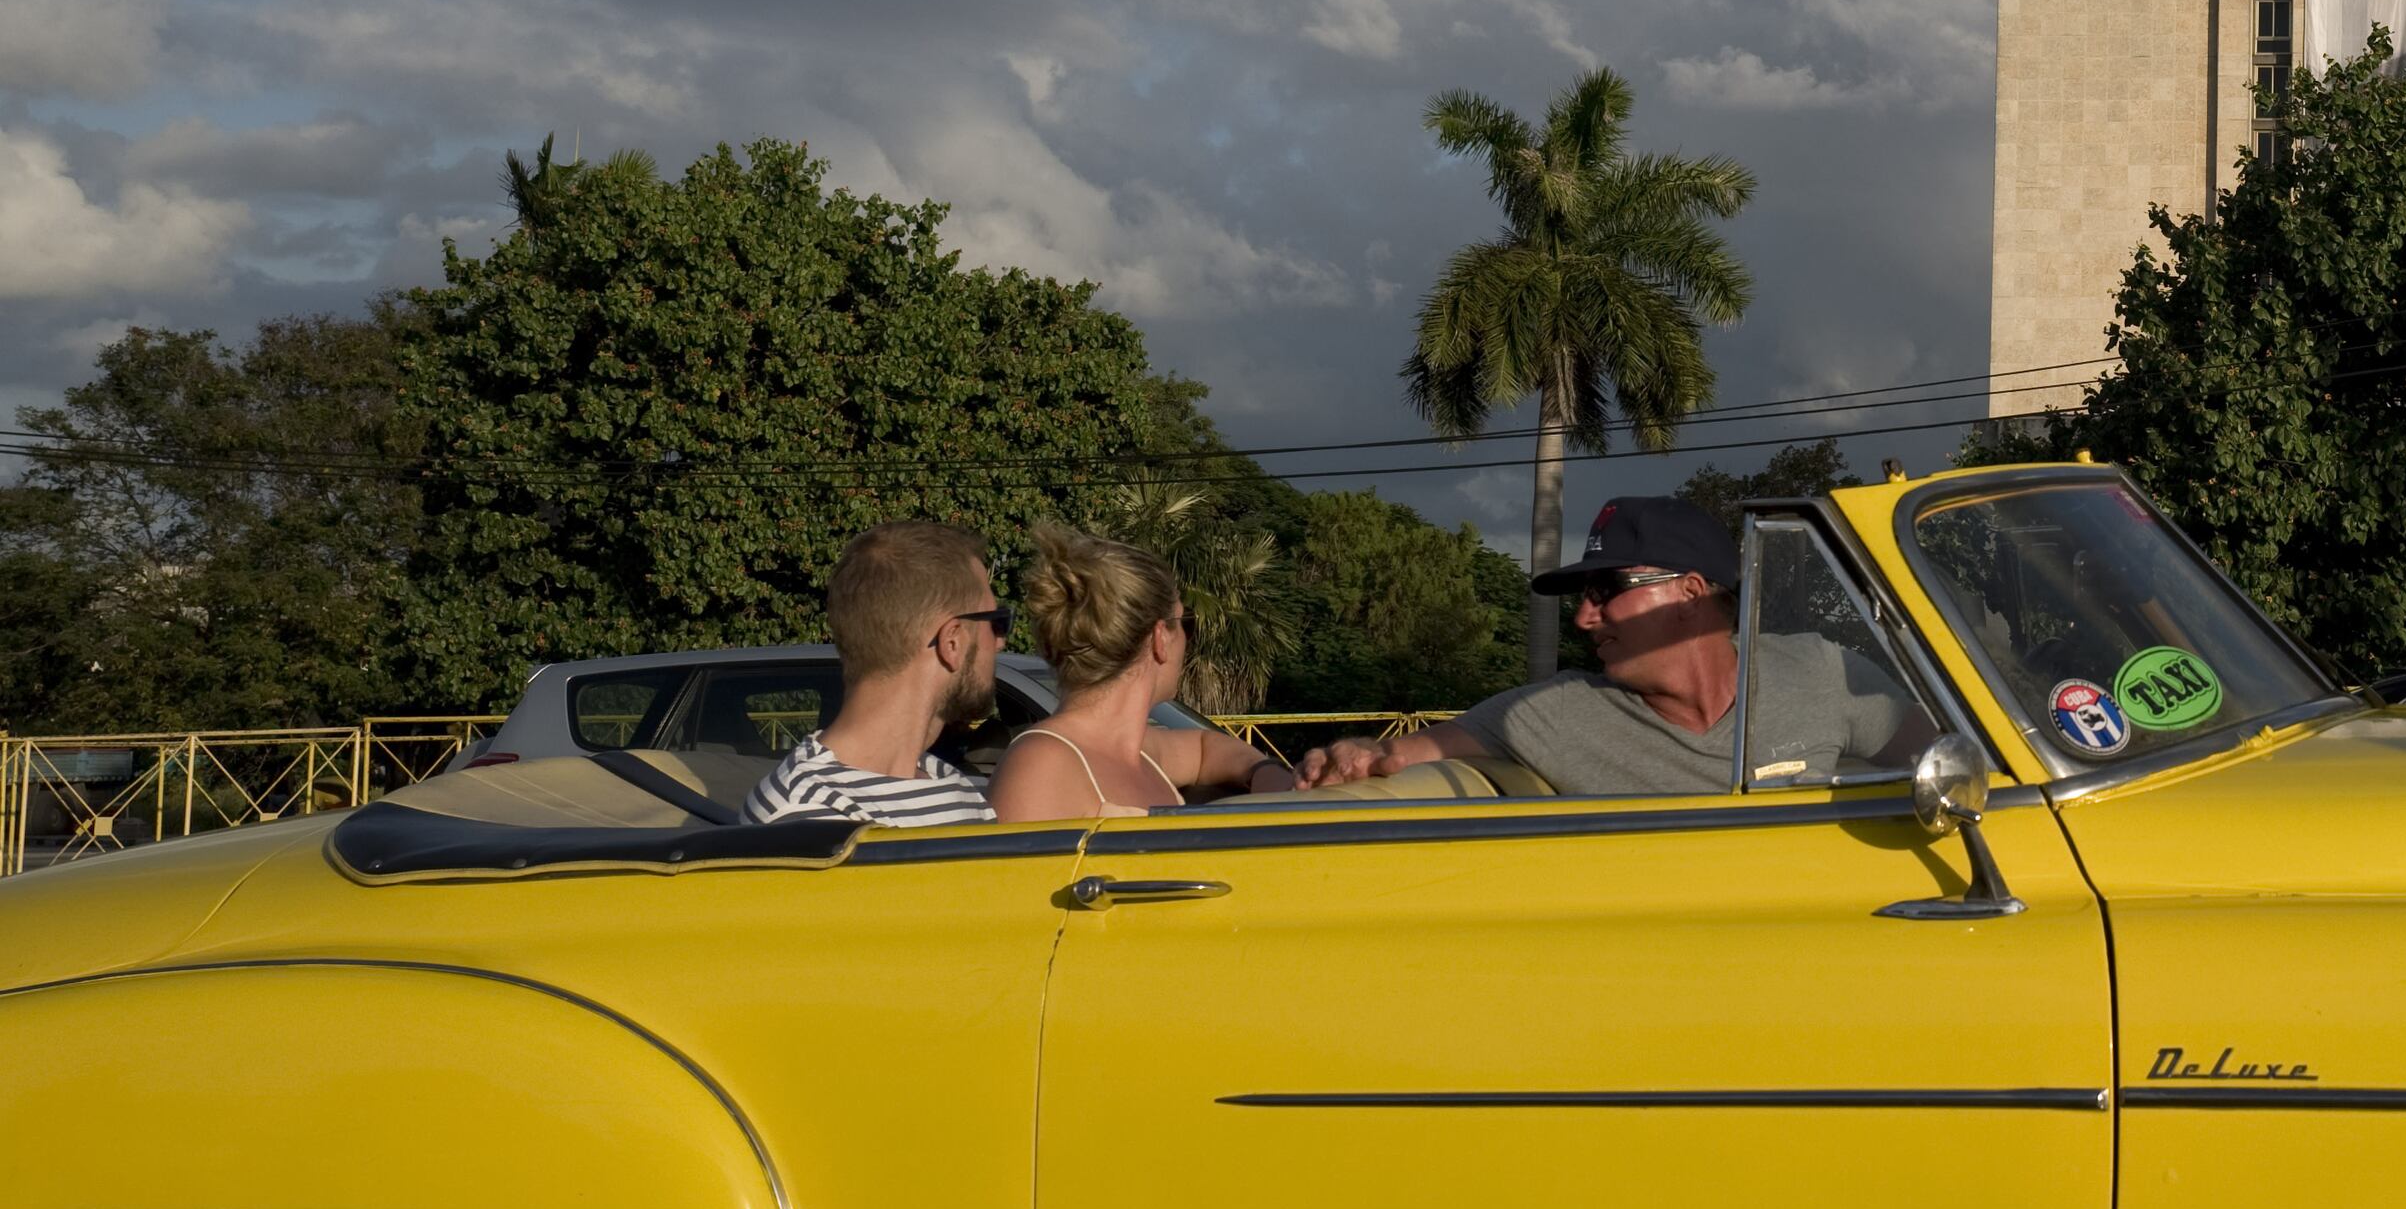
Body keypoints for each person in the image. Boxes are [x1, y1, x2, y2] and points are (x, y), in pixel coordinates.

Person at [1298, 495, 1924, 797]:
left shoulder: (1820, 671)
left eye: (1607, 589)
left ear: (1690, 593)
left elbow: (1950, 766)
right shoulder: (1554, 712)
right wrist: (1352, 754)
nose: (1584, 618)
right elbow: (1395, 756)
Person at [987, 520, 1299, 823]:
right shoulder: (1043, 765)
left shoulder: (1134, 749)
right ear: (1160, 638)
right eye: (1184, 621)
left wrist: (1265, 773)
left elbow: (1206, 748)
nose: (1187, 640)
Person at [746, 521, 1008, 827]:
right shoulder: (807, 813)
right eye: (996, 622)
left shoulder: (954, 787)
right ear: (952, 641)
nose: (1001, 641)